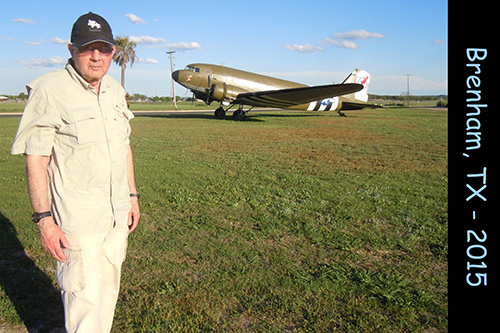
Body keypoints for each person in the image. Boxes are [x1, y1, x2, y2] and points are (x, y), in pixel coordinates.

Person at [11, 12, 140, 332]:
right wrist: (44, 219)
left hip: (116, 213)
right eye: (87, 48)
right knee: (83, 298)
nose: (96, 56)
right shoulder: (49, 90)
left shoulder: (113, 89)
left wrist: (133, 196)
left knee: (108, 292)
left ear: (113, 52)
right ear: (71, 50)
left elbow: (124, 146)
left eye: (104, 49)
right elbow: (36, 157)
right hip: (77, 219)